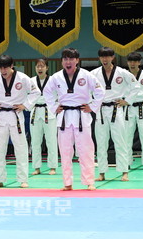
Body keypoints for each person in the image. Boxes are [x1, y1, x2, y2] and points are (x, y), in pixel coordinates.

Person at [44, 48, 104, 190]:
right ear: (62, 61)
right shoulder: (56, 77)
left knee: (86, 150)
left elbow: (100, 91)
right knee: (65, 151)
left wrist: (92, 106)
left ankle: (89, 181)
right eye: (65, 59)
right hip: (64, 116)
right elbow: (47, 92)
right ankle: (67, 183)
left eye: (71, 59)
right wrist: (53, 107)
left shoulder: (86, 75)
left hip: (82, 115)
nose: (68, 62)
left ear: (77, 60)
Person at [0, 55, 40, 188]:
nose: (3, 71)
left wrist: (25, 105)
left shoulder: (23, 78)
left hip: (16, 114)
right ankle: (0, 179)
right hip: (1, 115)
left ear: (12, 66)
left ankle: (23, 179)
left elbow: (36, 92)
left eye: (6, 67)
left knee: (21, 147)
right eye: (1, 68)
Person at [91, 47, 139, 182]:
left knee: (120, 141)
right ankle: (102, 172)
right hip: (100, 111)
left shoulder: (122, 72)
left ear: (113, 57)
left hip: (116, 109)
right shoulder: (94, 74)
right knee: (101, 143)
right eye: (102, 57)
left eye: (107, 56)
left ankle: (124, 171)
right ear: (99, 58)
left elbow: (135, 87)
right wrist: (93, 104)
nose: (104, 59)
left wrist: (127, 101)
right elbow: (86, 90)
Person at [30, 58, 58, 176]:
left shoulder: (53, 80)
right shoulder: (30, 81)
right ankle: (36, 167)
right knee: (35, 141)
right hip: (35, 113)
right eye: (37, 66)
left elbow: (60, 94)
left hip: (49, 112)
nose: (39, 68)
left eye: (42, 66)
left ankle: (52, 167)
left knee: (51, 141)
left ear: (47, 67)